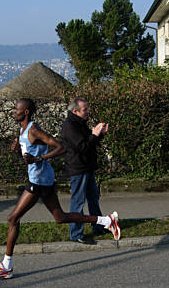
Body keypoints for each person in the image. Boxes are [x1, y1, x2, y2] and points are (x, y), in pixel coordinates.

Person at [0, 98, 120, 279]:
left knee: (13, 218)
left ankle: (6, 265)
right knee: (60, 218)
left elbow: (61, 147)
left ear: (25, 112)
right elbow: (30, 154)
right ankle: (106, 221)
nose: (13, 112)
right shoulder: (23, 130)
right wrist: (18, 151)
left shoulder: (33, 129)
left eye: (16, 109)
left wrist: (40, 159)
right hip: (40, 179)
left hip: (39, 181)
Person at [61, 97, 108, 244]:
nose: (87, 112)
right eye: (85, 110)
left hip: (86, 167)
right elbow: (82, 147)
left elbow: (90, 143)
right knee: (78, 202)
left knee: (93, 198)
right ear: (75, 111)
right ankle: (76, 233)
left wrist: (99, 135)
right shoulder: (70, 126)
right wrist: (94, 134)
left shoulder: (79, 123)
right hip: (78, 168)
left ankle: (99, 227)